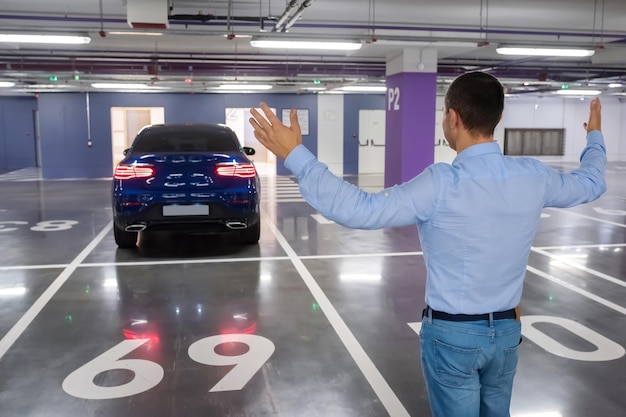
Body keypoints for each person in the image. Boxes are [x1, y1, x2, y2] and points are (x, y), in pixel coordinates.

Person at [248, 71, 607, 417]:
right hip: (507, 333)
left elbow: (360, 210)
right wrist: (594, 136)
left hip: (452, 336)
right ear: (496, 117)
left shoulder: (441, 183)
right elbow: (591, 182)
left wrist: (296, 155)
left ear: (452, 118)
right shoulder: (534, 175)